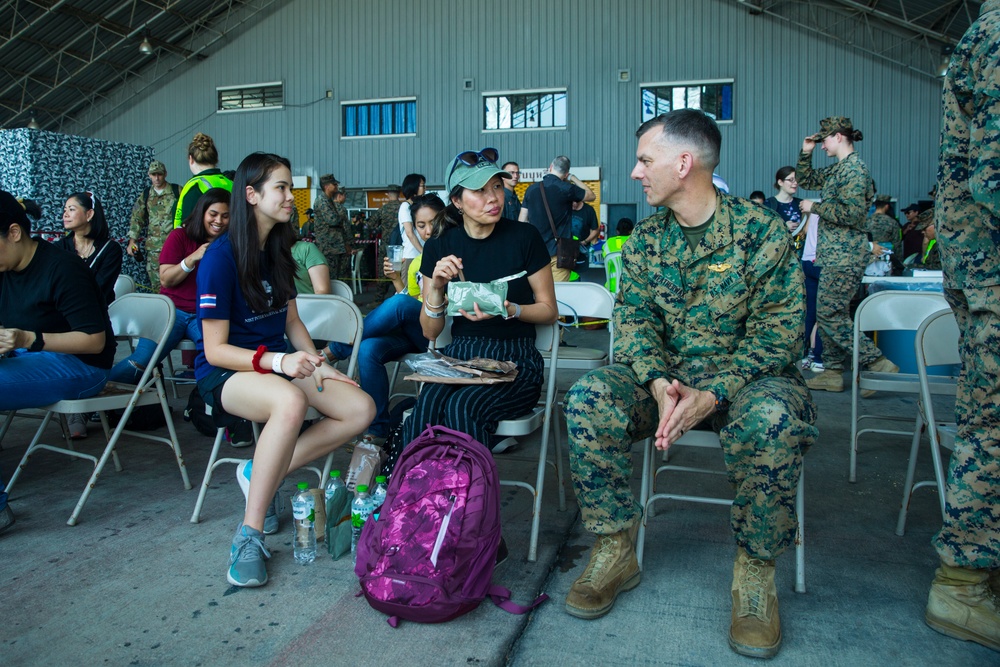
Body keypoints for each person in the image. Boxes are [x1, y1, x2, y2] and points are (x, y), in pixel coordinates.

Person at [563, 110, 817, 660]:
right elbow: (632, 323)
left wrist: (714, 392)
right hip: (669, 384)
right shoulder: (645, 241)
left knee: (774, 419)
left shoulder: (760, 232)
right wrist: (657, 382)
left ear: (684, 163)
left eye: (644, 160)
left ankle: (755, 574)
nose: (635, 172)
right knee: (589, 397)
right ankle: (614, 548)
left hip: (749, 382)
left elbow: (779, 337)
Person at [194, 152, 374, 588]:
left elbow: (291, 321)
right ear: (251, 195)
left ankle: (260, 470)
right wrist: (281, 364)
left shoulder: (277, 249)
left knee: (360, 409)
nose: (290, 195)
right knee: (291, 400)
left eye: (290, 186)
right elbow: (216, 350)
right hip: (229, 373)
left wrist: (314, 362)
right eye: (281, 187)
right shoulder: (220, 259)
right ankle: (249, 535)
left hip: (280, 363)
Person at [927, 1, 1000, 651]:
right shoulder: (999, 34)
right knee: (994, 427)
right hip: (992, 276)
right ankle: (966, 577)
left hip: (984, 272)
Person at [401, 149, 557, 451]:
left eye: (497, 186)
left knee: (462, 407)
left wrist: (510, 309)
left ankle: (464, 496)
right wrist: (436, 289)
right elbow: (430, 333)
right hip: (458, 357)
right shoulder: (439, 246)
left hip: (516, 360)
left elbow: (549, 310)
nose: (493, 198)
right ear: (457, 201)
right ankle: (417, 494)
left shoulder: (525, 237)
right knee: (427, 407)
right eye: (480, 190)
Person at [0, 191, 117, 530]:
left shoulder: (62, 268)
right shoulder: (6, 269)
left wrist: (28, 339)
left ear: (14, 232)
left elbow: (95, 342)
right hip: (31, 356)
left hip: (83, 366)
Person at [325, 194, 445, 446]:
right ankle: (377, 429)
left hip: (445, 334)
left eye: (433, 222)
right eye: (421, 225)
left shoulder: (455, 250)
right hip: (418, 332)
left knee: (398, 305)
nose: (428, 230)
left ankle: (335, 349)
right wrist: (396, 281)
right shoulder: (418, 263)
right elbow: (413, 300)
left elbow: (412, 305)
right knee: (368, 348)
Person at [796, 117, 897, 394]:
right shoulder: (838, 170)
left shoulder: (854, 171)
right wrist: (806, 152)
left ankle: (876, 362)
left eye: (824, 139)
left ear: (838, 137)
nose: (822, 144)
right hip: (833, 254)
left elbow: (852, 215)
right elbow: (805, 179)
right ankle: (832, 371)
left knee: (829, 314)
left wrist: (815, 208)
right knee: (832, 312)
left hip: (845, 255)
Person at [110, 188, 231, 384]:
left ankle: (204, 403)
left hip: (207, 314)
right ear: (201, 213)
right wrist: (192, 258)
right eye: (213, 214)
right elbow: (166, 279)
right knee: (142, 361)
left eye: (226, 216)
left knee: (218, 357)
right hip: (172, 311)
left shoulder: (231, 244)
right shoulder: (179, 236)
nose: (219, 221)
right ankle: (97, 394)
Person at [762, 167, 820, 367]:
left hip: (801, 264)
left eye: (797, 180)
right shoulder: (770, 205)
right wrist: (782, 227)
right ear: (779, 182)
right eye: (790, 180)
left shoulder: (803, 205)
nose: (795, 183)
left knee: (803, 310)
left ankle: (801, 352)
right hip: (779, 266)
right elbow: (762, 235)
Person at [519, 155, 596, 282]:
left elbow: (522, 221)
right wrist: (573, 178)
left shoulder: (531, 189)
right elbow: (591, 195)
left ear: (550, 167)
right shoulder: (567, 188)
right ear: (565, 174)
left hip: (536, 254)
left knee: (539, 295)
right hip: (560, 254)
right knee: (559, 295)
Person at [127, 160, 179, 291]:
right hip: (154, 248)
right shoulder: (146, 195)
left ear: (165, 174)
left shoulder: (176, 191)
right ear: (149, 175)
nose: (156, 178)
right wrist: (132, 241)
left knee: (176, 281)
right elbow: (137, 218)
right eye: (153, 174)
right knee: (157, 285)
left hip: (174, 245)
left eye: (159, 174)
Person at [174, 132, 233, 228]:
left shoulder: (195, 187)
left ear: (191, 159)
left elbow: (189, 228)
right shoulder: (231, 183)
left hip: (201, 243)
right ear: (216, 159)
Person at [312, 173, 350, 281]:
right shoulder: (322, 201)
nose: (336, 187)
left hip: (336, 246)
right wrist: (341, 216)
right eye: (334, 184)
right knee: (330, 278)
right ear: (326, 186)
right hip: (328, 247)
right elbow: (332, 220)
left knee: (338, 277)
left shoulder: (329, 201)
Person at [397, 173, 427, 279]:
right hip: (411, 255)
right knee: (409, 291)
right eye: (422, 185)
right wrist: (423, 252)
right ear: (413, 186)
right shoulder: (405, 206)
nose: (425, 188)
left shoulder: (420, 206)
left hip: (422, 255)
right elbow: (410, 233)